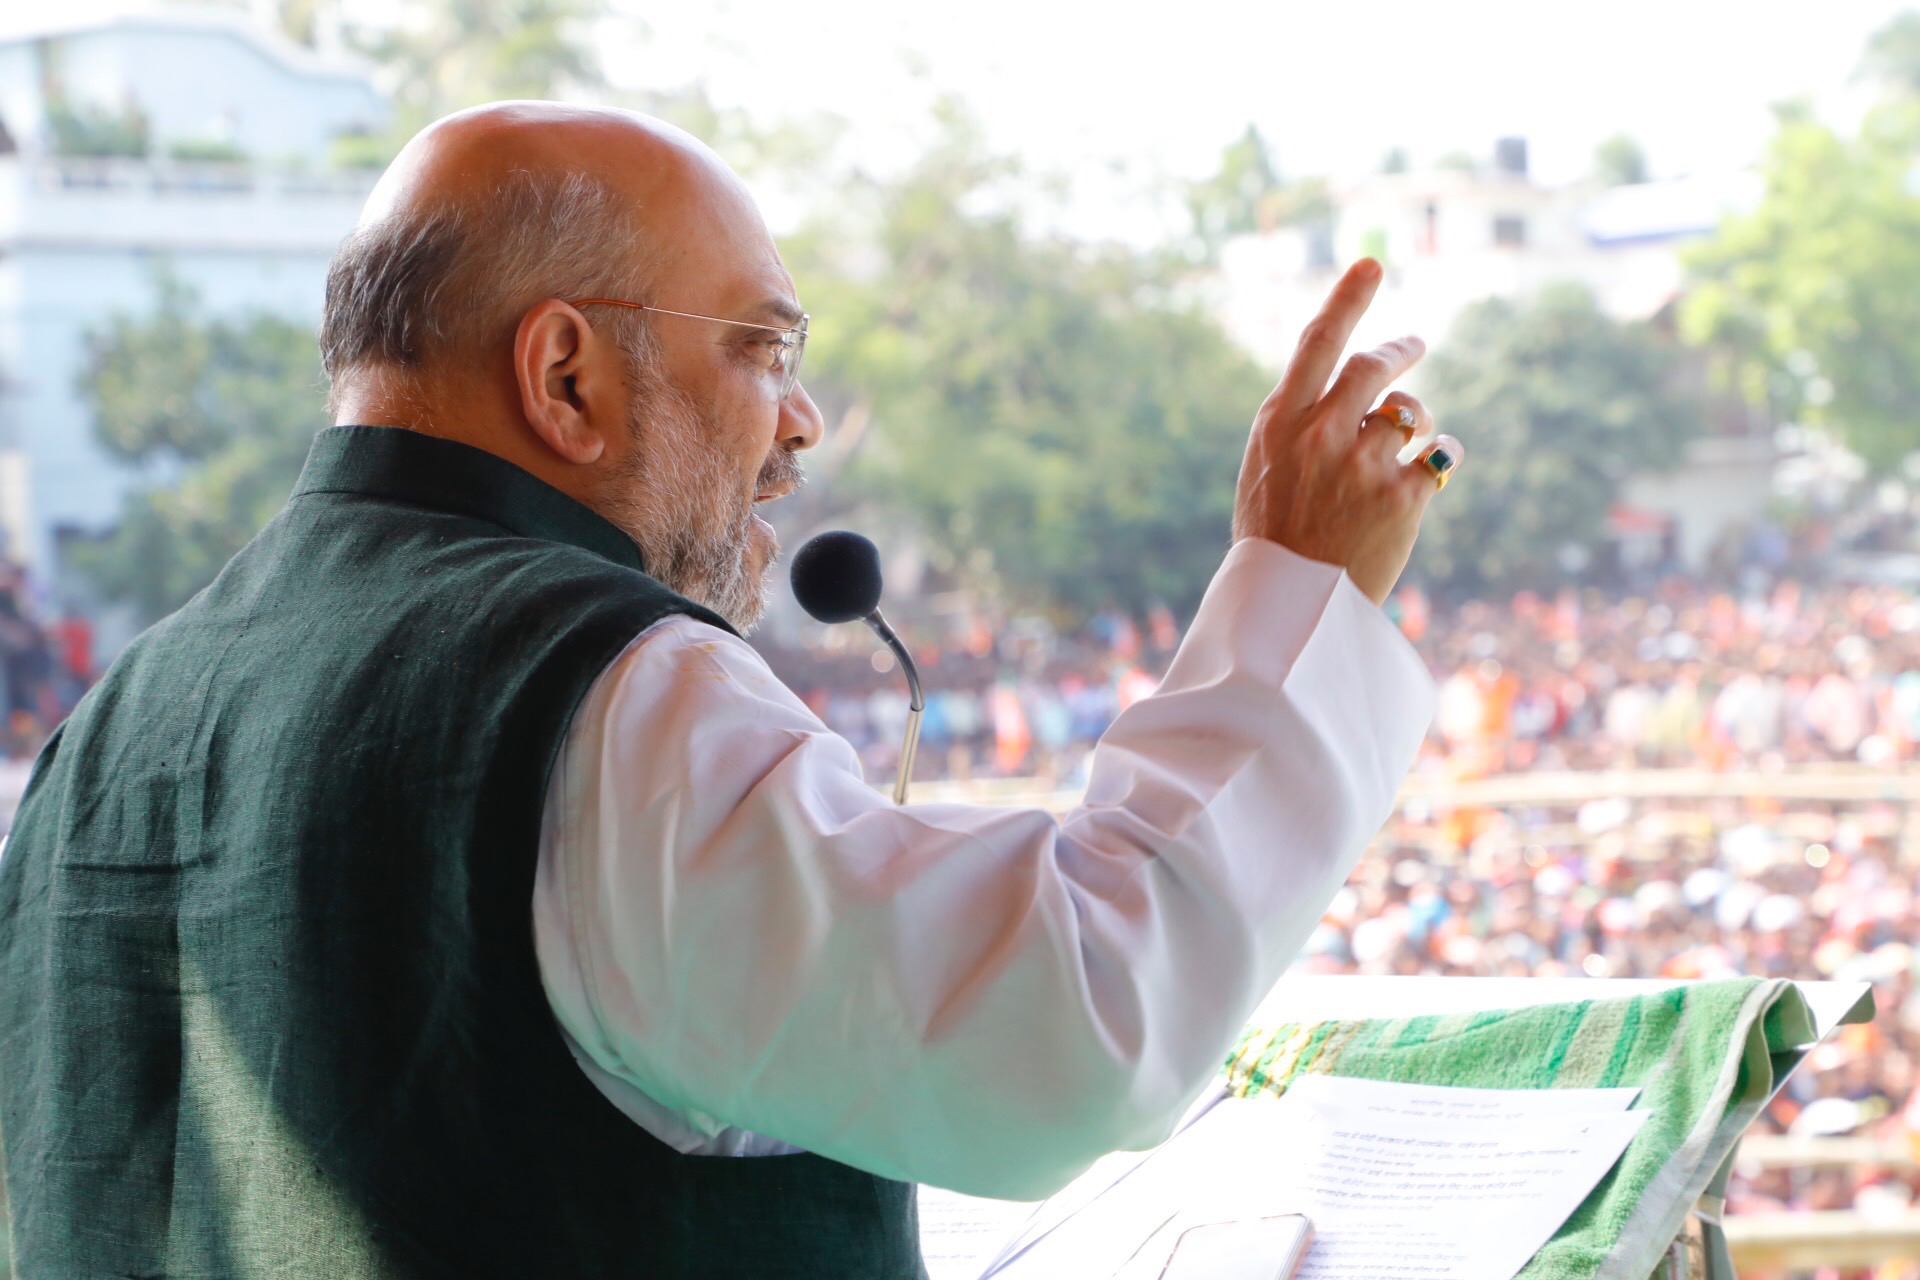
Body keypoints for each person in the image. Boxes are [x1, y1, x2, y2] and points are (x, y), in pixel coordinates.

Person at [0, 102, 1464, 1278]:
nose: (804, 423)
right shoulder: (605, 689)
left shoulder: (106, 730)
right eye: (764, 348)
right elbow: (1081, 1025)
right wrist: (1298, 585)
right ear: (565, 374)